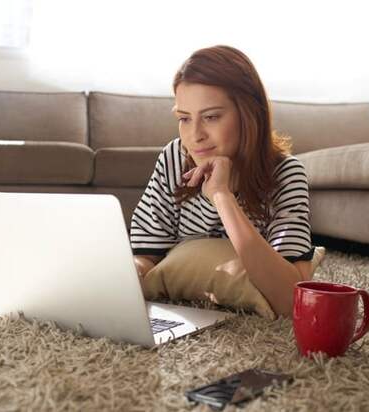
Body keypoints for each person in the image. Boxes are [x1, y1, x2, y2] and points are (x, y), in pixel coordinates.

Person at [130, 45, 314, 317]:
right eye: (184, 118)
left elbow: (290, 300)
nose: (195, 135)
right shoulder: (173, 157)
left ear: (249, 114)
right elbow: (147, 257)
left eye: (212, 117)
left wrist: (221, 196)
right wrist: (127, 274)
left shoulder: (286, 174)